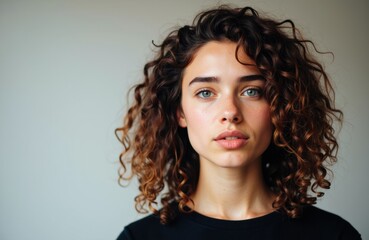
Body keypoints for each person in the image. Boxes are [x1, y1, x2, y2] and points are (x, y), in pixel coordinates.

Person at [115, 5, 361, 240]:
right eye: (205, 92)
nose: (230, 112)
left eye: (251, 91)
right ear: (180, 112)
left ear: (280, 106)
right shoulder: (138, 238)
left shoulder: (334, 235)